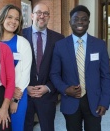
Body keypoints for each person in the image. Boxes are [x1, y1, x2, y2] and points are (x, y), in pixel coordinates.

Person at [50, 5, 110, 131]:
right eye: (76, 19)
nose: (80, 22)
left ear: (88, 22)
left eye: (84, 19)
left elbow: (106, 76)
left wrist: (105, 102)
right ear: (70, 22)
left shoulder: (99, 45)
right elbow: (54, 74)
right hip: (70, 101)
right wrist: (65, 89)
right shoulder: (60, 46)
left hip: (94, 102)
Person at [22, 2, 64, 131]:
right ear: (32, 15)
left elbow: (62, 69)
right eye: (39, 13)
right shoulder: (20, 36)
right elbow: (14, 67)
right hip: (24, 95)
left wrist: (48, 87)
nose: (42, 16)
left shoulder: (59, 39)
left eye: (46, 13)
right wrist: (24, 87)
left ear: (49, 17)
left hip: (47, 96)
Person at [0, 4, 32, 131]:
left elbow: (25, 72)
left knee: (16, 128)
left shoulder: (23, 43)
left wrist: (15, 99)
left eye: (17, 19)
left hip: (18, 95)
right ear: (2, 19)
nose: (13, 21)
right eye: (10, 17)